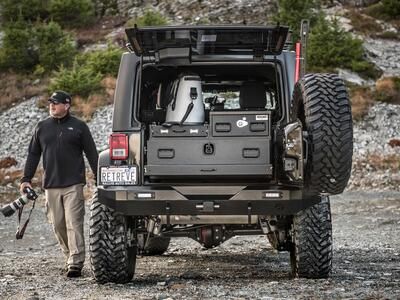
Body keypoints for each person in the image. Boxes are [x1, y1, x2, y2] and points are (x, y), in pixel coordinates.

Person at [20, 90, 98, 278]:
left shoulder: (79, 126)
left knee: (74, 222)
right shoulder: (41, 127)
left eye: (56, 103)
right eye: (50, 103)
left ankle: (75, 262)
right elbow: (33, 154)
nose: (52, 106)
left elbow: (91, 153)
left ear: (67, 105)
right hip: (51, 185)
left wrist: (99, 176)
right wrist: (25, 179)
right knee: (57, 224)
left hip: (73, 184)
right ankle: (68, 255)